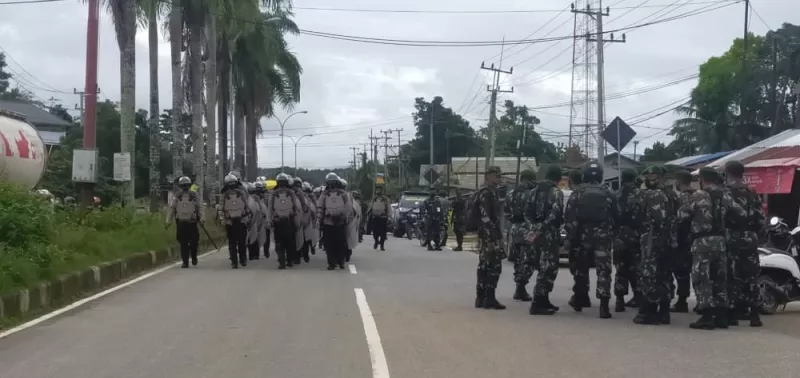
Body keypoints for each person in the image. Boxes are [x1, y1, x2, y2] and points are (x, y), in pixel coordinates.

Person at [679, 167, 745, 329]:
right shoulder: (725, 195)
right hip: (720, 241)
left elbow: (682, 216)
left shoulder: (698, 196)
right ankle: (722, 316)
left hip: (702, 241)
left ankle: (707, 317)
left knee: (702, 278)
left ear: (702, 179)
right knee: (719, 278)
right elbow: (741, 213)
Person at [564, 161, 616, 319]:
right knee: (603, 271)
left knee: (581, 270)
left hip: (582, 238)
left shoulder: (578, 192)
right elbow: (616, 214)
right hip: (603, 238)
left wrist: (571, 238)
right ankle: (604, 307)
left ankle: (579, 300)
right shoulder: (608, 192)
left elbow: (570, 217)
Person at [634, 165, 676, 325]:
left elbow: (658, 219)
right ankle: (664, 312)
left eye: (653, 177)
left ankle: (648, 311)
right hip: (668, 241)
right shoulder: (671, 194)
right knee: (664, 276)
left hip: (653, 239)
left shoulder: (654, 195)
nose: (650, 180)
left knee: (649, 275)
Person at [724, 160, 764, 327]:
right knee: (751, 275)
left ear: (727, 172)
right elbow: (760, 217)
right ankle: (754, 315)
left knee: (732, 274)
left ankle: (733, 314)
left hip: (731, 235)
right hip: (750, 236)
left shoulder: (726, 192)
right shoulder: (752, 192)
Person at [525, 165, 565, 315]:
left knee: (541, 266)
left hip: (535, 235)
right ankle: (538, 302)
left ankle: (544, 300)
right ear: (558, 179)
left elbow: (526, 213)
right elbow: (555, 214)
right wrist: (543, 228)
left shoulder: (533, 192)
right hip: (548, 235)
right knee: (547, 268)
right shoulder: (556, 192)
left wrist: (534, 228)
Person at [469, 166, 507, 310]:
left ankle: (482, 297)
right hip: (488, 236)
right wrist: (491, 239)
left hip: (487, 235)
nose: (499, 178)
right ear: (489, 176)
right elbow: (485, 217)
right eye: (496, 175)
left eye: (499, 175)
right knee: (493, 267)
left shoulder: (489, 192)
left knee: (485, 266)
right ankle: (488, 298)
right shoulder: (486, 193)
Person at [614, 168, 645, 312]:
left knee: (621, 268)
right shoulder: (640, 194)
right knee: (636, 267)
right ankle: (637, 296)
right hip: (635, 235)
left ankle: (619, 299)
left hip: (620, 235)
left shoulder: (616, 194)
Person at [505, 169, 537, 302]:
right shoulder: (531, 194)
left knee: (518, 259)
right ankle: (521, 287)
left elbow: (506, 213)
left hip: (514, 228)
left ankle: (519, 285)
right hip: (527, 228)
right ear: (530, 179)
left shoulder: (511, 193)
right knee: (529, 259)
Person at [166, 176, 204, 268]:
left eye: (186, 185)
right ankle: (186, 261)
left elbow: (200, 207)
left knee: (193, 241)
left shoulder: (193, 195)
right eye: (184, 185)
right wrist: (168, 220)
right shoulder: (177, 196)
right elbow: (172, 208)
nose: (185, 187)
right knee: (184, 242)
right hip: (183, 222)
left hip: (190, 222)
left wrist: (202, 218)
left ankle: (192, 257)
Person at [266, 173, 303, 269]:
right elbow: (297, 208)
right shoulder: (291, 192)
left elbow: (270, 208)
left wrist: (269, 221)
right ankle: (290, 261)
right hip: (289, 221)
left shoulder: (273, 193)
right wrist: (298, 222)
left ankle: (281, 261)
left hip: (277, 222)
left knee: (279, 242)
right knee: (290, 242)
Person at [671, 170, 695, 313]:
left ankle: (682, 301)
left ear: (679, 182)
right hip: (695, 238)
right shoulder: (697, 195)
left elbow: (681, 219)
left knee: (682, 272)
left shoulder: (684, 197)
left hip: (684, 240)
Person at [318, 173, 351, 270]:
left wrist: (344, 217)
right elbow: (320, 208)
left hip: (337, 223)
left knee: (338, 244)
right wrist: (319, 219)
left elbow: (347, 207)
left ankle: (339, 262)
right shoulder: (324, 194)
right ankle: (334, 263)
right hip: (330, 222)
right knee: (330, 244)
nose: (332, 186)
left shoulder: (342, 194)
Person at [220, 174, 250, 269]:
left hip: (230, 222)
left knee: (232, 243)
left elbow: (221, 208)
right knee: (241, 242)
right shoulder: (242, 192)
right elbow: (247, 205)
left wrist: (222, 219)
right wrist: (248, 217)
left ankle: (234, 262)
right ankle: (243, 259)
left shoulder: (224, 194)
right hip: (242, 221)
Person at [292, 177, 311, 265]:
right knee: (298, 239)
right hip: (295, 220)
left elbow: (307, 208)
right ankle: (298, 256)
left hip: (299, 220)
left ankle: (300, 256)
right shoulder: (289, 194)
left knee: (301, 238)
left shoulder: (302, 195)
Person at [245, 183, 265, 261]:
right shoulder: (256, 198)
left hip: (252, 219)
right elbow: (262, 209)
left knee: (250, 237)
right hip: (256, 219)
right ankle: (255, 255)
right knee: (254, 237)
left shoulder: (249, 198)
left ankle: (252, 255)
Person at [422, 186, 444, 251]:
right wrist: (425, 215)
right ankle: (429, 245)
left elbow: (440, 211)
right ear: (429, 192)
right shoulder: (426, 201)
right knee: (429, 232)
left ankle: (437, 245)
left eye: (434, 190)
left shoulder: (437, 201)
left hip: (437, 219)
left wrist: (442, 220)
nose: (432, 192)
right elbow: (423, 210)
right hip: (429, 219)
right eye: (431, 190)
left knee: (437, 232)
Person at [370, 184, 391, 250]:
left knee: (383, 233)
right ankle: (376, 241)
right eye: (377, 190)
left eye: (380, 190)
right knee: (375, 232)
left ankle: (382, 245)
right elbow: (371, 206)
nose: (378, 191)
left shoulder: (385, 199)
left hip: (383, 218)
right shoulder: (374, 199)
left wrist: (389, 216)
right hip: (375, 217)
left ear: (382, 191)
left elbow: (389, 207)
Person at [302, 181, 319, 260]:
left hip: (311, 218)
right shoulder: (299, 196)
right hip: (302, 217)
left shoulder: (312, 196)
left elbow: (315, 206)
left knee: (310, 236)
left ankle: (312, 247)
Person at [254, 180, 271, 259]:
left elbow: (269, 206)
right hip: (257, 218)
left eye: (260, 189)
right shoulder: (253, 197)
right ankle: (256, 253)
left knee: (266, 235)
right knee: (256, 235)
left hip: (265, 218)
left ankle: (266, 251)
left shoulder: (267, 196)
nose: (258, 191)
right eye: (257, 189)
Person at [345, 181, 361, 262]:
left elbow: (358, 215)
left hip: (350, 223)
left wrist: (356, 225)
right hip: (339, 223)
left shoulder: (354, 203)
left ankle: (347, 252)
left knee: (349, 239)